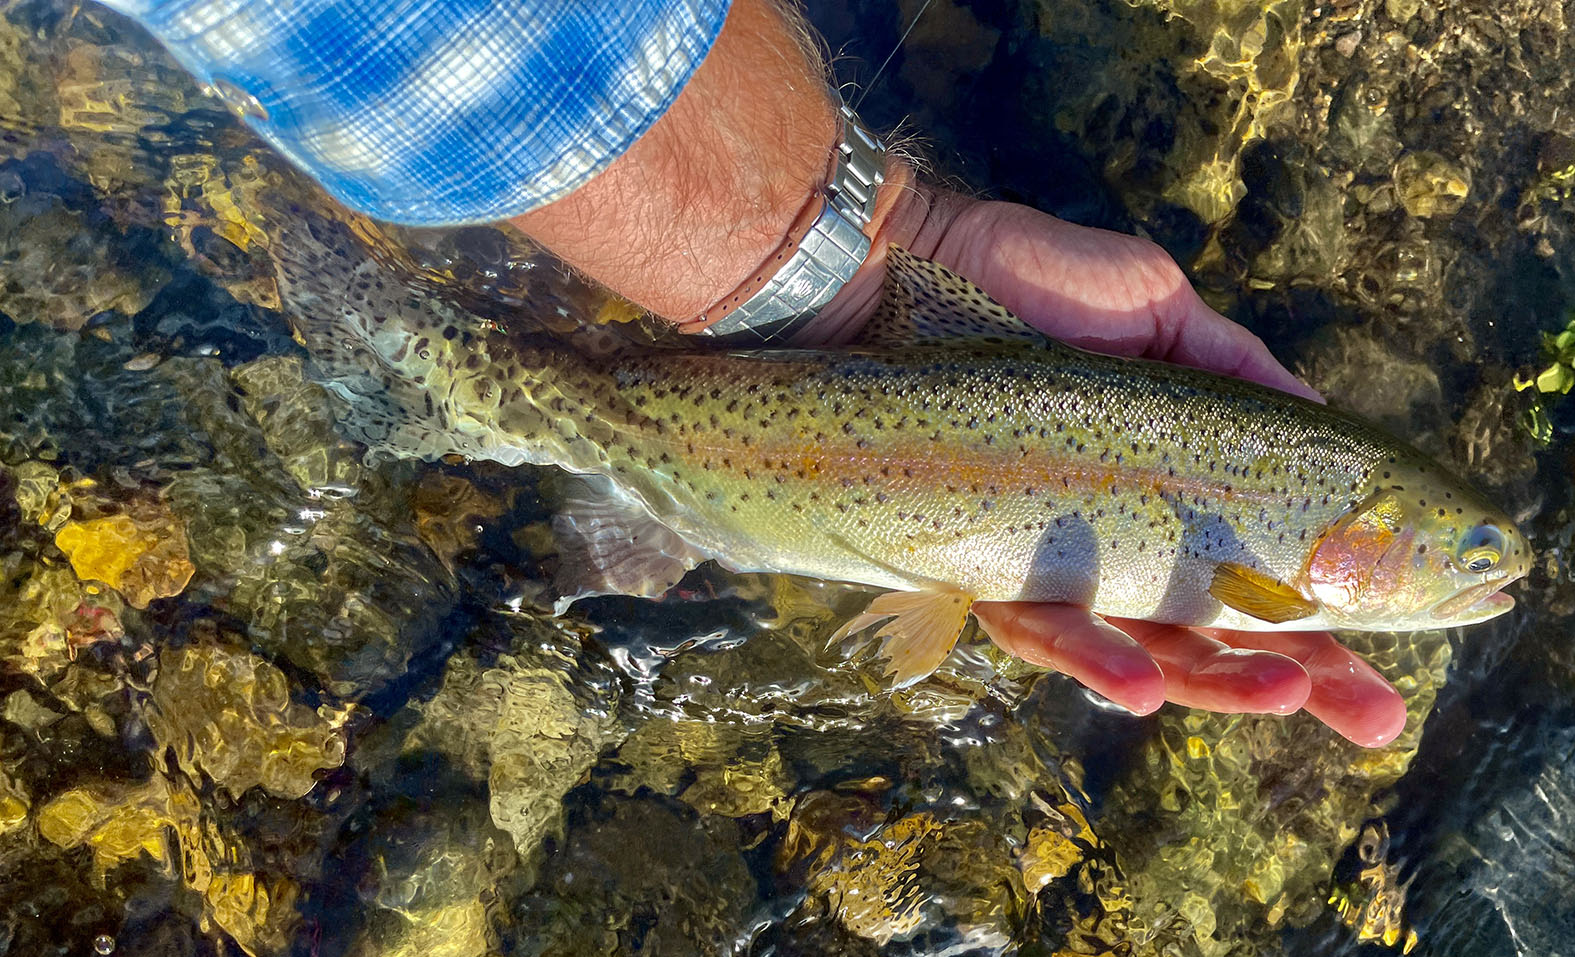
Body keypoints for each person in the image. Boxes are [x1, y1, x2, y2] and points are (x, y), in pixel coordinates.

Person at [100, 0, 1404, 745]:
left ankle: (423, 378)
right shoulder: (1266, 575)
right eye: (1460, 551)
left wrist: (888, 245)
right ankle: (423, 386)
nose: (1475, 578)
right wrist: (879, 253)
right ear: (1359, 536)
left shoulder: (1276, 551)